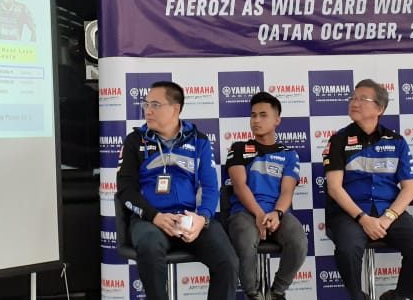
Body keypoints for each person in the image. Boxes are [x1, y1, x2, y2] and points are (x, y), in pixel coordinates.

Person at [116, 81, 238, 300]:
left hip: (191, 218)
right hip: (150, 220)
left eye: (155, 105)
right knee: (150, 248)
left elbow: (210, 187)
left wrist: (203, 219)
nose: (147, 110)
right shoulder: (135, 141)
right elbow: (125, 190)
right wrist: (155, 216)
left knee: (227, 261)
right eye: (146, 104)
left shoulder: (199, 140)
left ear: (175, 108)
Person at [324, 79, 413, 300]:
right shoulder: (339, 140)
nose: (354, 102)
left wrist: (387, 218)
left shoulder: (397, 141)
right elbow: (334, 188)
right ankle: (358, 297)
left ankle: (399, 296)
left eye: (362, 99)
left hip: (388, 210)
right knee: (347, 249)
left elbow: (410, 188)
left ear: (379, 109)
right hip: (350, 213)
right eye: (353, 98)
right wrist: (363, 219)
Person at [225, 92, 308, 300]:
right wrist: (260, 214)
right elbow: (239, 187)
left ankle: (277, 292)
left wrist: (277, 213)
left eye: (263, 115)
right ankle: (253, 293)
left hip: (277, 212)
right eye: (253, 115)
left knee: (298, 241)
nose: (256, 120)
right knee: (246, 240)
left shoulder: (289, 154)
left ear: (277, 120)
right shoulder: (239, 148)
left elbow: (287, 191)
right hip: (244, 212)